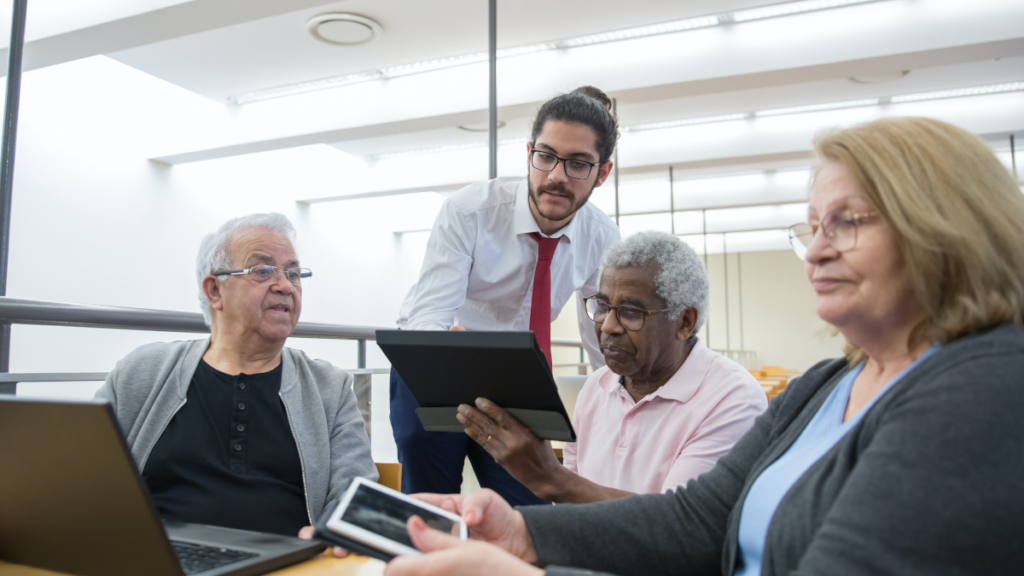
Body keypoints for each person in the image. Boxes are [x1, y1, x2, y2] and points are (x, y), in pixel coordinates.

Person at [383, 116, 1024, 576]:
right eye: (813, 226)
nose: (819, 248)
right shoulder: (824, 387)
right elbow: (699, 521)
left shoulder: (983, 388)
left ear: (944, 233)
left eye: (848, 222)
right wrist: (521, 530)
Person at [392, 86, 621, 505]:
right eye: (546, 156)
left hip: (517, 379)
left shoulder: (602, 238)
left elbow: (603, 341)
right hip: (440, 362)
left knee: (528, 509)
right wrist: (443, 357)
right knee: (431, 507)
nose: (556, 175)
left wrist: (621, 411)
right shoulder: (469, 211)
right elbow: (429, 315)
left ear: (602, 173)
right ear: (530, 152)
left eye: (578, 164)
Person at [95, 213, 377, 537]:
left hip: (288, 566)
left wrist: (331, 537)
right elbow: (78, 474)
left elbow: (356, 496)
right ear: (215, 291)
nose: (285, 286)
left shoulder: (330, 388)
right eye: (263, 271)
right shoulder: (142, 373)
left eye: (294, 273)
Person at [456, 231, 767, 503]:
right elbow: (573, 510)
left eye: (631, 311)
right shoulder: (597, 386)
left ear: (684, 322)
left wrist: (549, 478)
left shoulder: (732, 399)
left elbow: (681, 525)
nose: (608, 327)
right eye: (602, 307)